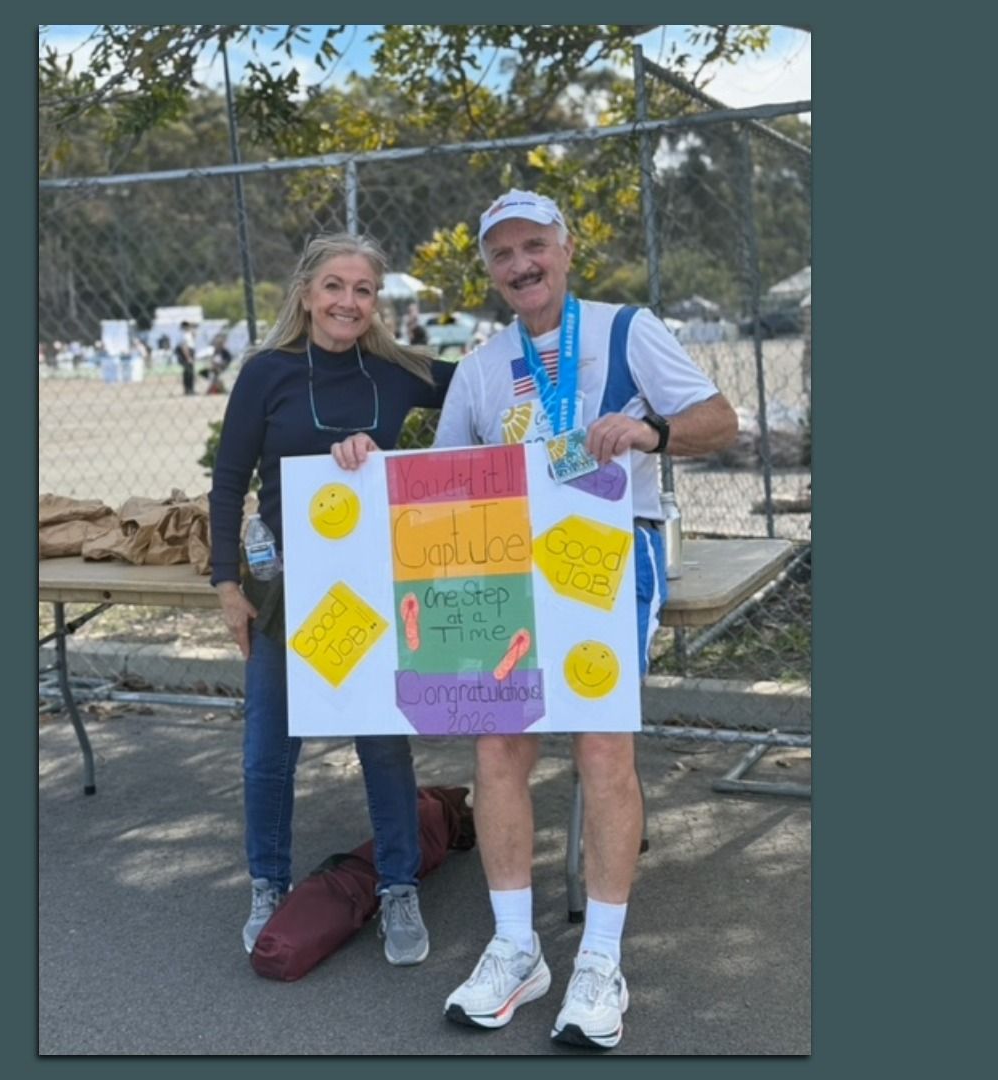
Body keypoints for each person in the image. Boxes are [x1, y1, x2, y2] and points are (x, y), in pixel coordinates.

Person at [430, 189, 736, 1049]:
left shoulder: (625, 328)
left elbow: (720, 419)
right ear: (489, 270)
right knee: (497, 747)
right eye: (502, 254)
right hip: (502, 565)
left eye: (535, 245)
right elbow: (446, 478)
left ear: (565, 249)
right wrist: (366, 468)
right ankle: (515, 949)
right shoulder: (483, 364)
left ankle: (600, 962)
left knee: (602, 745)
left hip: (605, 557)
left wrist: (651, 436)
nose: (521, 264)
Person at [208, 233, 459, 966]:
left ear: (376, 302)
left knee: (382, 744)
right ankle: (268, 882)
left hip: (373, 589)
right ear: (307, 293)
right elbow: (228, 483)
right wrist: (228, 583)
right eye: (335, 287)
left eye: (364, 290)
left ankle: (399, 885)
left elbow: (485, 391)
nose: (349, 302)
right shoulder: (266, 373)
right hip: (287, 589)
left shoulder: (399, 371)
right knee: (268, 750)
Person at [177, 322, 199, 395]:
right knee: (188, 373)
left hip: (190, 352)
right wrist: (188, 357)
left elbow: (194, 336)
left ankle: (190, 389)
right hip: (187, 353)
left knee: (190, 372)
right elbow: (184, 347)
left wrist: (193, 329)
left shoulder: (188, 334)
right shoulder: (184, 335)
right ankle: (188, 389)